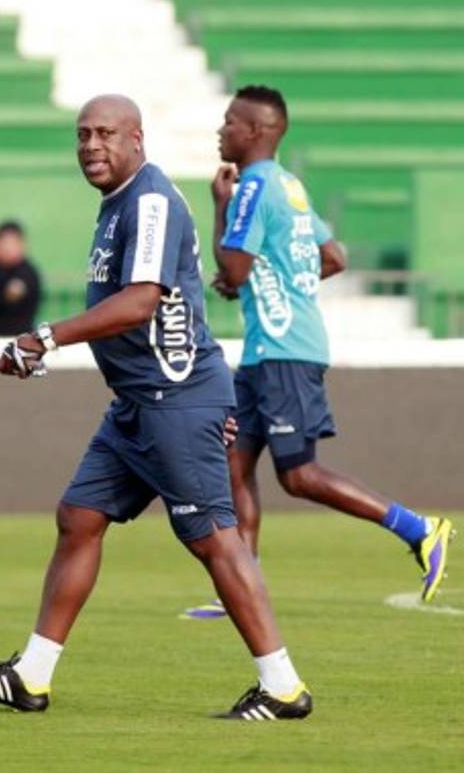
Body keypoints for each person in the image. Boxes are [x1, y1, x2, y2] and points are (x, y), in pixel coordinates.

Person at [0, 94, 313, 721]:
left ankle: (283, 686)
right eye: (83, 134)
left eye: (106, 133)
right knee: (79, 517)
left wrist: (46, 337)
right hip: (138, 404)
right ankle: (32, 677)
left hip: (177, 398)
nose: (92, 145)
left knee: (213, 540)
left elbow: (141, 301)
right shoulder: (118, 204)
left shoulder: (148, 200)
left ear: (138, 140)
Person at [181, 85, 454, 619]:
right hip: (268, 350)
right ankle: (242, 585)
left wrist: (220, 210)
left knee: (299, 475)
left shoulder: (254, 189)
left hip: (286, 351)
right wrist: (282, 280)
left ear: (256, 132)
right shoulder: (291, 186)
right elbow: (333, 255)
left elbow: (233, 268)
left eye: (230, 122)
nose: (221, 130)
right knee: (233, 464)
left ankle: (420, 529)